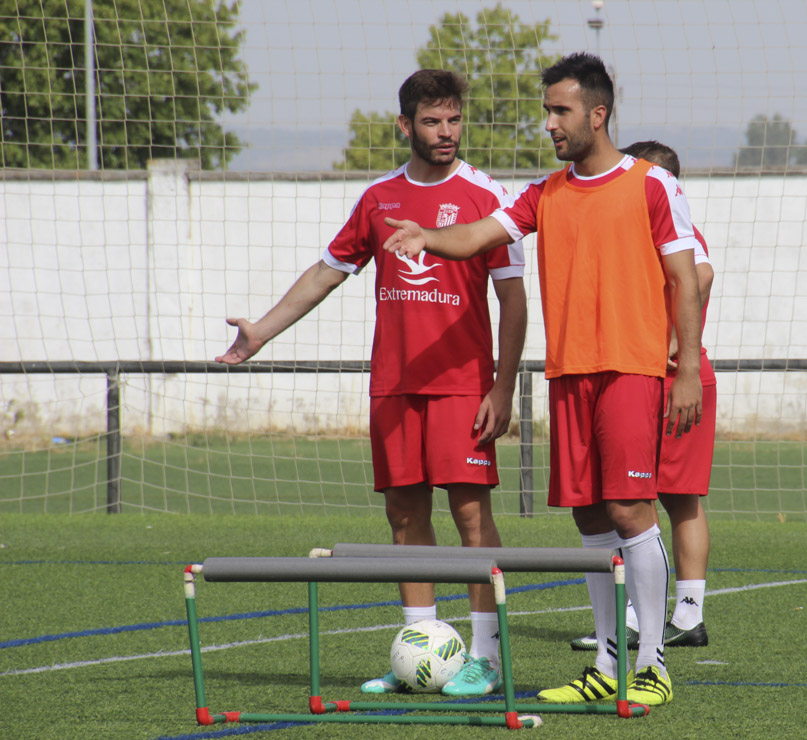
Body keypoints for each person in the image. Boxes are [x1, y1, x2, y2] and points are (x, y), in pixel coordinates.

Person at [381, 53, 703, 707]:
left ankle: (652, 666)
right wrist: (429, 236)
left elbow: (684, 278)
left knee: (630, 510)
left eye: (560, 111)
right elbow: (476, 236)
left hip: (633, 370)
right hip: (569, 375)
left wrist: (689, 368)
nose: (551, 123)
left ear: (597, 113)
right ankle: (607, 667)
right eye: (547, 111)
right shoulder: (543, 193)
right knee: (588, 517)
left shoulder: (649, 184)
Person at [214, 69, 526, 698]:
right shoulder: (378, 199)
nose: (446, 132)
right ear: (405, 125)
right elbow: (327, 273)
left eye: (455, 119)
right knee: (404, 516)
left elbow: (514, 303)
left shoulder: (485, 195)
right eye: (433, 121)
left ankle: (487, 660)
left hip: (464, 384)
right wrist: (261, 333)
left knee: (470, 516)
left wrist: (502, 387)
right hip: (393, 385)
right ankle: (420, 654)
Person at [569, 141, 715, 653]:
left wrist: (674, 348)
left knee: (664, 497)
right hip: (651, 373)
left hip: (669, 375)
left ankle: (676, 616)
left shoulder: (667, 216)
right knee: (651, 497)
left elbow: (701, 273)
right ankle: (651, 617)